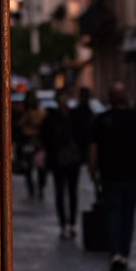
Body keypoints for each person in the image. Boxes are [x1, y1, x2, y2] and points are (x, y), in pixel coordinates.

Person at [89, 82, 136, 271]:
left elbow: (93, 148)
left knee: (113, 214)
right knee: (127, 216)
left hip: (110, 175)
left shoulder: (103, 120)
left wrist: (93, 170)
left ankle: (116, 252)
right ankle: (124, 253)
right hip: (132, 175)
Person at [42, 90, 82, 237]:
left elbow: (82, 135)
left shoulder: (74, 116)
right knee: (60, 191)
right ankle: (63, 223)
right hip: (58, 159)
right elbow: (46, 137)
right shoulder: (52, 117)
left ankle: (71, 223)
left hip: (72, 159)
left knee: (72, 192)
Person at [18, 91, 46, 202]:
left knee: (39, 167)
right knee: (29, 168)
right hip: (28, 142)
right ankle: (34, 189)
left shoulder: (38, 113)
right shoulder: (25, 113)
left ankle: (38, 189)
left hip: (36, 142)